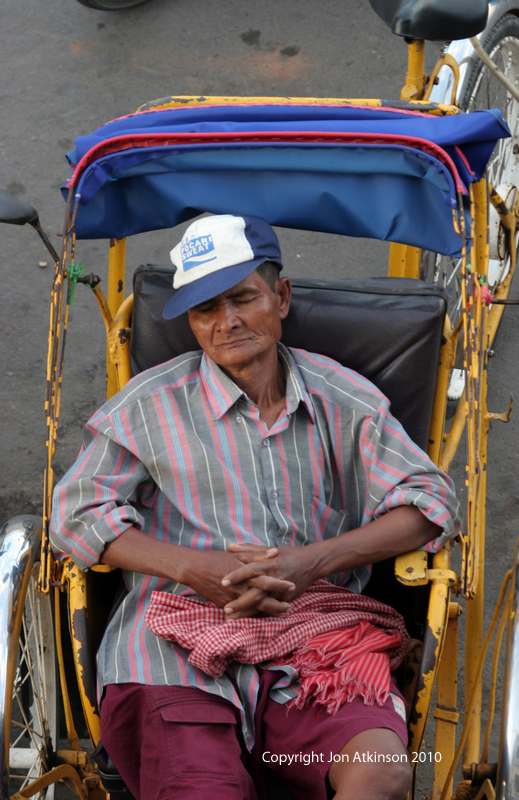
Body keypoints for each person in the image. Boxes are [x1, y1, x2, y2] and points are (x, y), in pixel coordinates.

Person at [50, 214, 461, 800]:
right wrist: (193, 568)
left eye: (243, 298)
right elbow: (75, 509)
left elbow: (432, 501)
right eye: (206, 310)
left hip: (318, 634)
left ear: (281, 297)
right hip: (173, 636)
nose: (228, 323)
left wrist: (312, 562)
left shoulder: (344, 399)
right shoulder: (149, 405)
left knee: (382, 774)